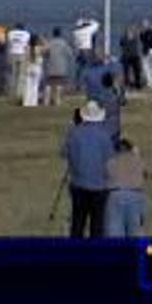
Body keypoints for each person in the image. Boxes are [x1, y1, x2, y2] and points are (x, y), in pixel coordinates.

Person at [63, 100, 114, 238]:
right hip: (100, 186)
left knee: (77, 221)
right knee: (97, 224)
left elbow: (64, 153)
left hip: (78, 184)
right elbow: (111, 160)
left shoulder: (74, 133)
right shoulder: (105, 135)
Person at [104, 137, 148, 238]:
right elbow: (146, 174)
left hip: (115, 195)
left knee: (115, 231)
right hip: (135, 194)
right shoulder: (138, 160)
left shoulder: (111, 162)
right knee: (135, 231)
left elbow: (104, 177)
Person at [43, 28, 74, 108]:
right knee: (59, 84)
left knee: (49, 84)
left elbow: (44, 53)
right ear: (60, 34)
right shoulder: (64, 43)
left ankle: (46, 101)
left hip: (51, 67)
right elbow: (70, 54)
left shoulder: (50, 43)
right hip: (61, 67)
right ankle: (58, 101)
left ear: (53, 34)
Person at [6, 22, 32, 100]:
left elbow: (9, 44)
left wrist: (8, 57)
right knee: (21, 75)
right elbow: (27, 46)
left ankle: (12, 93)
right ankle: (19, 93)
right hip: (22, 54)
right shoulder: (26, 34)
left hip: (13, 54)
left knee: (13, 75)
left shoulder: (11, 33)